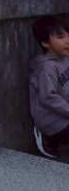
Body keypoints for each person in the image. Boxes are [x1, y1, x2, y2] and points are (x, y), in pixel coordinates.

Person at [28, 14, 69, 161]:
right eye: (61, 37)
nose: (68, 40)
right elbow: (48, 98)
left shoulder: (65, 58)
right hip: (53, 119)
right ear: (46, 43)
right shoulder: (46, 68)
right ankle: (49, 139)